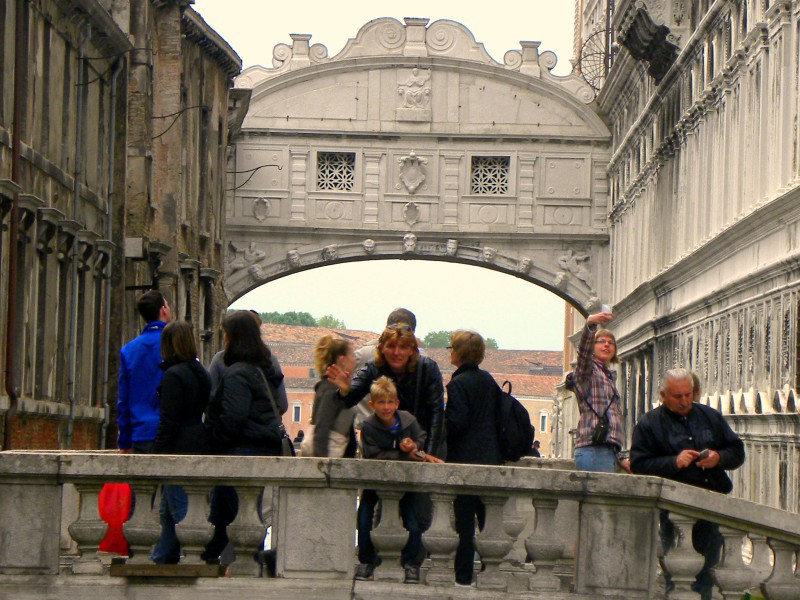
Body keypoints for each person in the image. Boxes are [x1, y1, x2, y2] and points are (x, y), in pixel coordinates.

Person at [630, 368, 745, 600]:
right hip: (675, 509)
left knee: (707, 571)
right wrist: (674, 462)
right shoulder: (649, 424)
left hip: (711, 503)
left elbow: (737, 452)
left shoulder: (711, 417)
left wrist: (717, 458)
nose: (685, 401)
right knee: (677, 572)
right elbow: (639, 464)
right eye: (677, 396)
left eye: (688, 395)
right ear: (663, 396)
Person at [202, 310, 288, 563]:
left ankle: (258, 564)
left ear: (232, 338)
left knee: (242, 513)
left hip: (241, 450)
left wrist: (212, 440)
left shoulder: (237, 372)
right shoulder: (263, 367)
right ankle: (204, 560)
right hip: (259, 447)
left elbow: (234, 417)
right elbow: (281, 404)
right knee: (222, 515)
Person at [355, 377, 442, 584]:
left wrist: (415, 444)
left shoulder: (408, 420)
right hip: (375, 481)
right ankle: (366, 560)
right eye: (381, 403)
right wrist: (405, 454)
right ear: (372, 405)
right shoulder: (368, 427)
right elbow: (373, 455)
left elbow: (422, 437)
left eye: (389, 402)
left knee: (413, 522)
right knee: (364, 519)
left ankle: (411, 564)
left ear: (396, 404)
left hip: (407, 480)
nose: (386, 407)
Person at [332, 321, 444, 456]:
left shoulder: (428, 368)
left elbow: (436, 413)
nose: (396, 352)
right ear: (381, 349)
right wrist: (344, 391)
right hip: (385, 445)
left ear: (411, 350)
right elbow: (350, 399)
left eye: (402, 347)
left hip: (419, 440)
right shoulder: (373, 368)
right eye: (391, 346)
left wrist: (429, 453)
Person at [445, 330, 503, 588]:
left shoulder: (458, 384)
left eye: (451, 347)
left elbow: (457, 423)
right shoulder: (488, 380)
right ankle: (491, 572)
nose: (449, 351)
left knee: (465, 524)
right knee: (488, 520)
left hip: (466, 460)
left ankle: (463, 577)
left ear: (458, 353)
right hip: (490, 458)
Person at [150, 321, 212, 564]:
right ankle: (164, 553)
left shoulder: (173, 376)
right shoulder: (201, 373)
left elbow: (169, 419)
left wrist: (157, 453)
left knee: (179, 506)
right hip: (198, 438)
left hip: (178, 444)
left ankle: (199, 554)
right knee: (167, 508)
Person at [569, 310, 630, 473]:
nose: (607, 345)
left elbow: (611, 421)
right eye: (601, 341)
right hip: (592, 451)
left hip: (607, 452)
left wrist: (620, 457)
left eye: (611, 343)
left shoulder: (608, 376)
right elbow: (583, 355)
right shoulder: (587, 372)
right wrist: (590, 325)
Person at [118, 290, 171, 454]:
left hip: (140, 433)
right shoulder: (174, 345)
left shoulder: (129, 350)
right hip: (170, 433)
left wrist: (125, 442)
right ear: (163, 310)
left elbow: (123, 401)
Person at [302, 335, 358, 457]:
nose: (355, 361)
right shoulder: (330, 389)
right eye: (352, 356)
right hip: (330, 461)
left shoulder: (336, 388)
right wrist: (322, 465)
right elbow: (322, 428)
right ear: (342, 359)